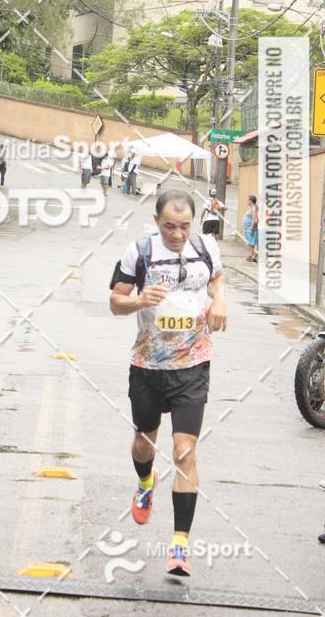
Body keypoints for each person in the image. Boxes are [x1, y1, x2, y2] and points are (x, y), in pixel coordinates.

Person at [109, 190, 227, 578]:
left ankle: (179, 546)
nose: (177, 234)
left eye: (183, 226)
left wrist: (220, 299)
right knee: (145, 443)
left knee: (184, 451)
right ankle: (145, 480)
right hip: (147, 365)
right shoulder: (139, 252)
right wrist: (141, 301)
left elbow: (218, 279)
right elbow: (114, 300)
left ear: (192, 223)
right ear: (157, 221)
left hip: (192, 365)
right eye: (169, 226)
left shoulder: (205, 246)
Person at [243, 195, 258, 262]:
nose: (247, 201)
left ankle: (254, 257)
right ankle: (252, 255)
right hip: (248, 228)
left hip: (252, 228)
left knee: (254, 242)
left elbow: (254, 219)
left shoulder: (254, 208)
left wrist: (251, 227)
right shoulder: (252, 207)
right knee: (252, 242)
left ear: (251, 201)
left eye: (248, 200)